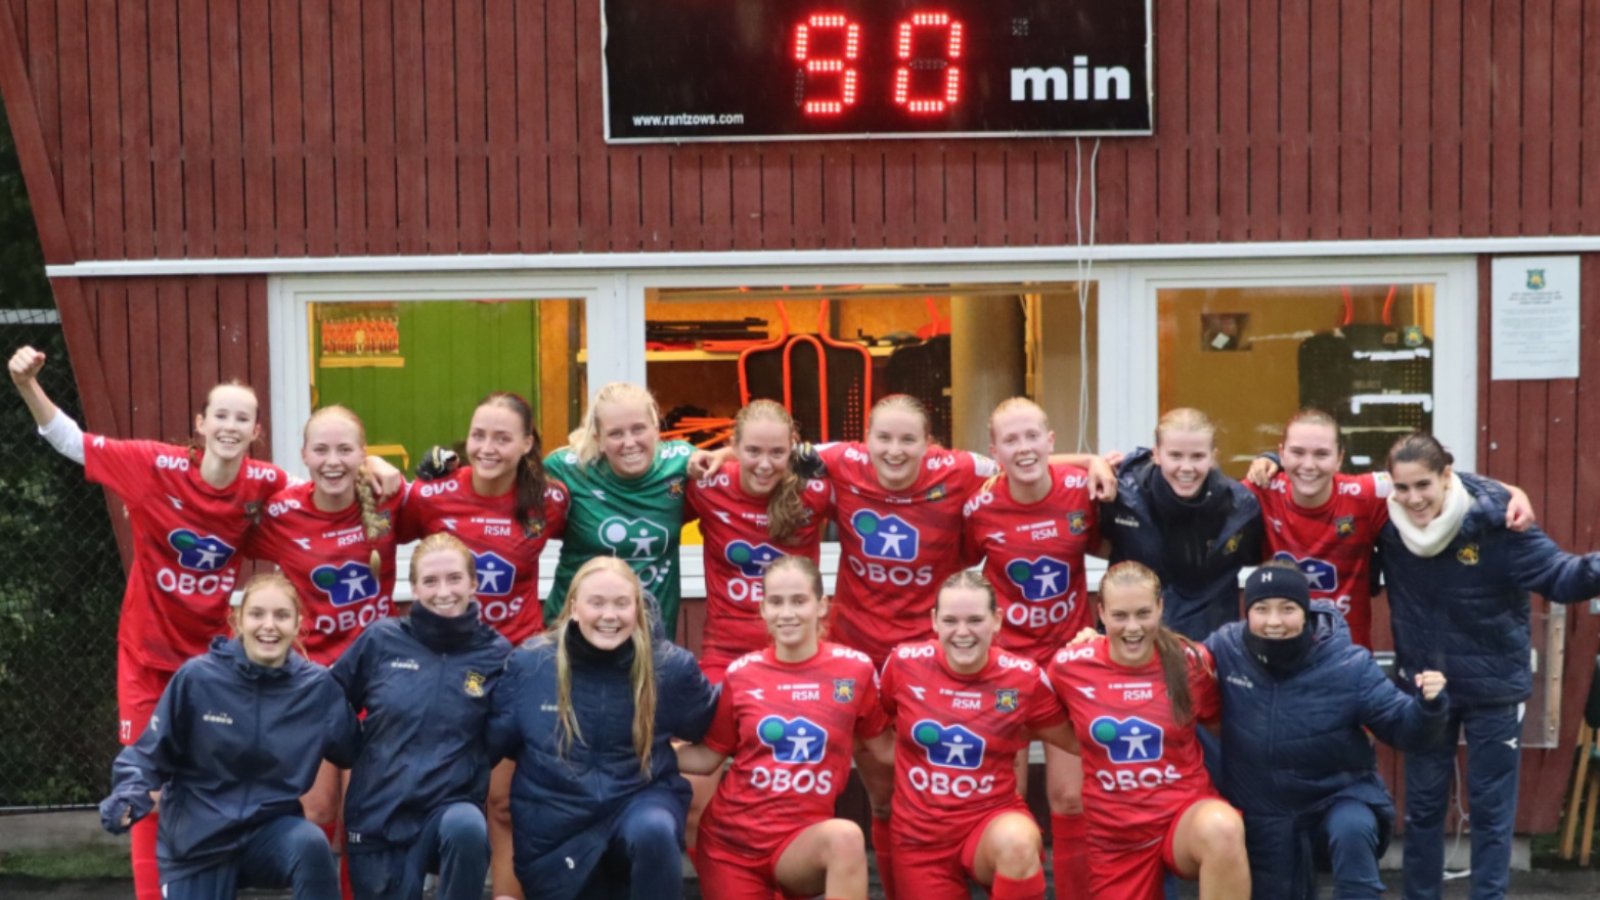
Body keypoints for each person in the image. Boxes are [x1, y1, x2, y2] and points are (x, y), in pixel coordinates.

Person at [11, 345, 291, 900]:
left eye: (242, 418)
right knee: (144, 790)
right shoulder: (153, 466)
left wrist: (376, 470)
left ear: (256, 432)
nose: (230, 426)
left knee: (210, 783)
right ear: (200, 424)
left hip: (210, 666)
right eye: (221, 415)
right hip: (146, 658)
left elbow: (321, 497)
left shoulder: (265, 483)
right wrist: (27, 385)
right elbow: (71, 441)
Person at [1376, 432, 1600, 900]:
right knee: (1422, 810)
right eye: (1403, 487)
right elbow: (1319, 487)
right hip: (1427, 690)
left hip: (1494, 688)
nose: (1413, 498)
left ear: (1446, 476)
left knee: (1492, 814)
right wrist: (1273, 459)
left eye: (1423, 485)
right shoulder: (1389, 528)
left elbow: (1561, 577)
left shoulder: (1500, 523)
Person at [99, 574, 360, 899]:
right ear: (238, 621)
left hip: (270, 834)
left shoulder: (317, 690)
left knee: (311, 845)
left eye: (281, 615)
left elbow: (359, 752)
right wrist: (127, 797)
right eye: (257, 614)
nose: (269, 625)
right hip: (199, 842)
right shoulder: (198, 679)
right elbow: (147, 756)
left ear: (297, 625)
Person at [400, 390, 568, 900]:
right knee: (438, 797)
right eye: (478, 435)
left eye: (502, 437)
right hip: (444, 665)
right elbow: (377, 528)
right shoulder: (432, 494)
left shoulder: (551, 500)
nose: (487, 447)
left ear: (527, 443)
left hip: (515, 667)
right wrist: (380, 470)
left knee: (502, 804)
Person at [1206, 563, 1449, 900]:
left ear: (1305, 612)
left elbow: (1403, 728)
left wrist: (1428, 706)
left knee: (1352, 827)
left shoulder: (1348, 664)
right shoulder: (1224, 650)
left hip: (1335, 799)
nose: (1274, 621)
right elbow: (1174, 670)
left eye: (1287, 609)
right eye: (1261, 609)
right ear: (1247, 613)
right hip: (1263, 815)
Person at [489, 557, 718, 900]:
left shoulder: (670, 668)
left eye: (621, 604)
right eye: (596, 603)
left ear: (637, 608)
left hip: (639, 803)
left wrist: (669, 755)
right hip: (556, 826)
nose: (609, 615)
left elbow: (716, 727)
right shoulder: (530, 665)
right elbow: (493, 744)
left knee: (654, 828)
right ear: (574, 608)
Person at [676, 555, 891, 900]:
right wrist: (638, 751)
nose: (787, 612)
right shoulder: (742, 674)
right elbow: (708, 756)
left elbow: (884, 749)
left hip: (800, 844)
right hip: (731, 848)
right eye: (776, 602)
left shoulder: (855, 671)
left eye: (799, 601)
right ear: (763, 609)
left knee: (846, 838)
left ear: (821, 605)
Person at [1242, 408, 1536, 648]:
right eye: (1297, 452)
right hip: (1279, 647)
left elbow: (1438, 479)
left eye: (1321, 454)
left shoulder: (1365, 492)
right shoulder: (1262, 489)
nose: (1308, 465)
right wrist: (1265, 461)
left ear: (1340, 458)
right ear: (1281, 453)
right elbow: (1218, 495)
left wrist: (1512, 492)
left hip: (1346, 655)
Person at [959, 396, 1098, 898]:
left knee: (1070, 798)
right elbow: (954, 571)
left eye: (1032, 436)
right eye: (1011, 440)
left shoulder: (1082, 490)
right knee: (1005, 802)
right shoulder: (979, 507)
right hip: (1008, 667)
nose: (1023, 448)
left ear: (1050, 441)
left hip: (1067, 662)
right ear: (994, 450)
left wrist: (1095, 461)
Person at [1047, 561, 1250, 900]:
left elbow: (1221, 726)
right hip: (1115, 835)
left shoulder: (1191, 661)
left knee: (1223, 828)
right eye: (1120, 615)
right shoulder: (1070, 667)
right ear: (1101, 612)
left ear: (1160, 607)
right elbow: (1037, 723)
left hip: (1182, 815)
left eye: (1143, 613)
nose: (1133, 627)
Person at [332, 533, 512, 900]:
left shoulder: (496, 654)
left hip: (448, 812)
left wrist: (470, 767)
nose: (443, 591)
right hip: (377, 815)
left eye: (454, 578)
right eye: (430, 581)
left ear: (474, 583)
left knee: (467, 827)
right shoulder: (380, 640)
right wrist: (353, 749)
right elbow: (329, 699)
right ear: (414, 589)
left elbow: (505, 731)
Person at [877, 571, 1077, 900]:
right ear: (934, 621)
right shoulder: (902, 665)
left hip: (989, 821)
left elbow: (1076, 741)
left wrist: (1096, 657)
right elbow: (873, 727)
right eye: (950, 620)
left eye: (975, 620)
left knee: (1017, 844)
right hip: (919, 838)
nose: (962, 632)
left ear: (996, 620)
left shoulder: (1023, 678)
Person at [687, 399, 832, 683]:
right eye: (753, 451)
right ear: (735, 446)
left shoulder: (814, 492)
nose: (765, 465)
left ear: (791, 449)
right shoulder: (707, 484)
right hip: (726, 653)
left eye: (777, 452)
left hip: (799, 651)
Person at [542, 382, 702, 639]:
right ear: (598, 440)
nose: (629, 442)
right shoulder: (566, 469)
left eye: (638, 429)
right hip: (572, 637)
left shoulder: (680, 464)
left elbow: (746, 464)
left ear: (656, 429)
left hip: (649, 639)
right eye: (616, 434)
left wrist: (724, 454)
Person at [1099, 408, 1263, 640]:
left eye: (1197, 456)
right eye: (1175, 456)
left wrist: (1273, 459)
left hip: (1208, 646)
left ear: (1212, 457)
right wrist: (1091, 462)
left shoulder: (1240, 507)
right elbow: (1051, 478)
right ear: (1156, 454)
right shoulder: (1122, 494)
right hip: (1134, 641)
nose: (1186, 468)